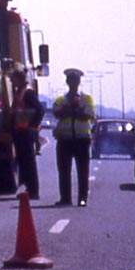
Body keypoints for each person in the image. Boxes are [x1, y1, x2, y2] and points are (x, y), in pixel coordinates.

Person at [52, 68, 96, 207]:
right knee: (64, 170)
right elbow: (57, 113)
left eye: (75, 80)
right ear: (67, 82)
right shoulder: (61, 99)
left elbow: (88, 115)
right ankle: (65, 198)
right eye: (70, 80)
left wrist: (70, 111)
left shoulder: (86, 98)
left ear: (79, 82)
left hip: (82, 140)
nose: (73, 83)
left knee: (83, 171)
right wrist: (75, 110)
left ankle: (82, 198)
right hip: (64, 139)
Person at [10, 67, 45, 200]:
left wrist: (32, 126)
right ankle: (27, 189)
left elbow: (39, 110)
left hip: (26, 132)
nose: (12, 82)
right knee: (24, 163)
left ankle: (33, 191)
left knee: (29, 163)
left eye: (13, 79)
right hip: (20, 132)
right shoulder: (20, 92)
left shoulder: (28, 93)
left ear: (19, 79)